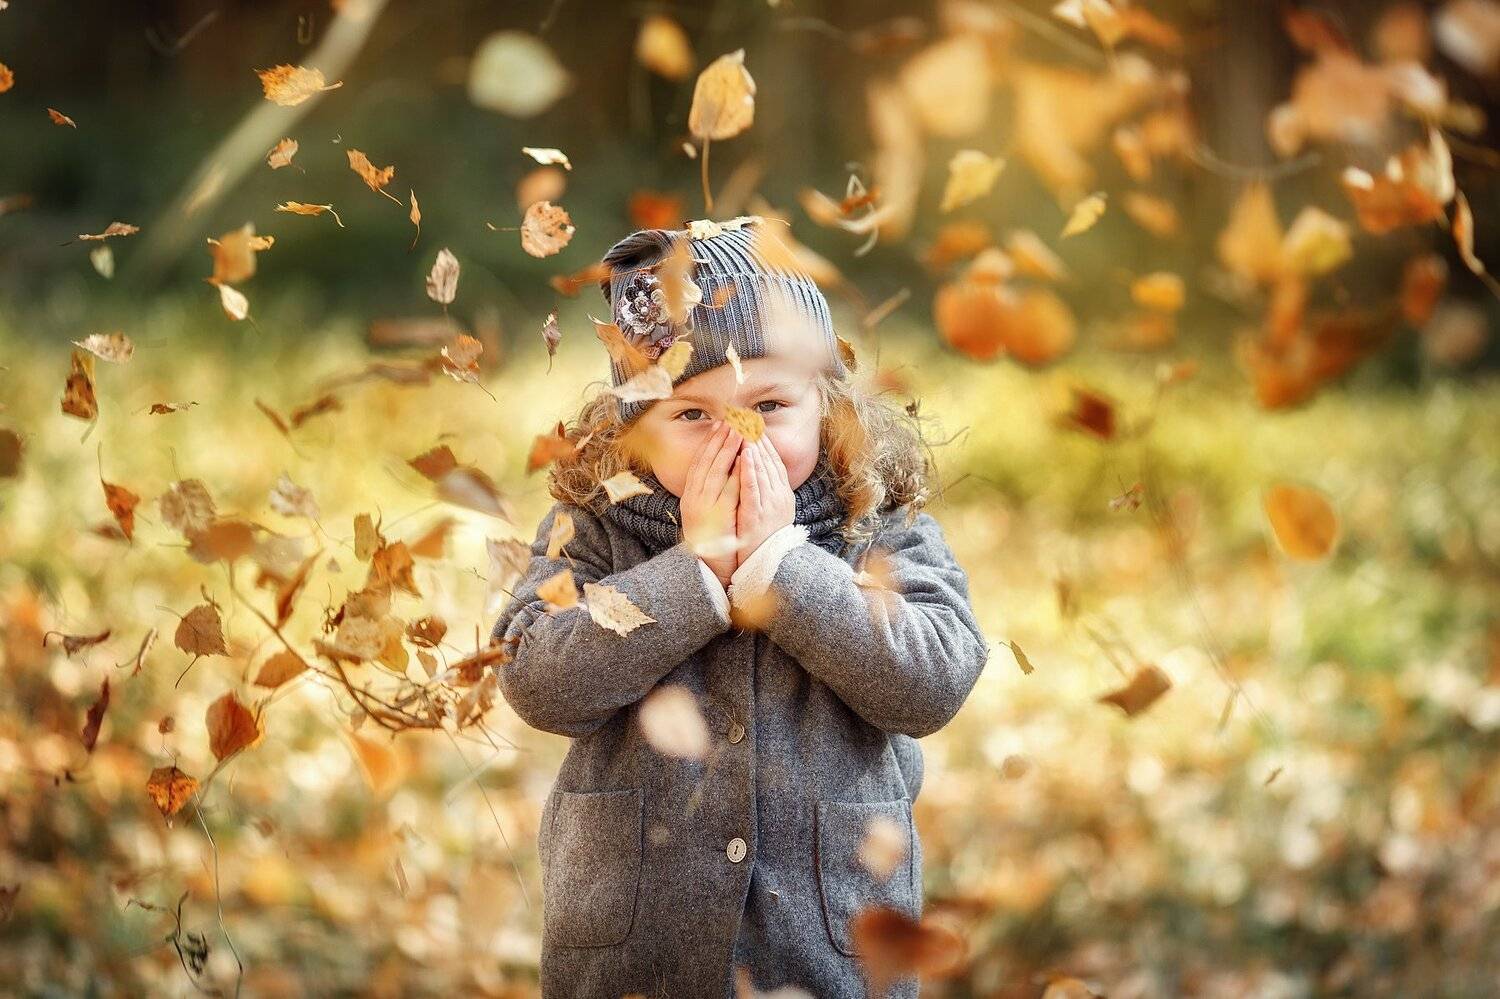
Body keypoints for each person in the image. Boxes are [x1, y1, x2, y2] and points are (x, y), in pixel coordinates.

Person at [489, 215, 989, 998]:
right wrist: (691, 578)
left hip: (829, 958)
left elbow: (934, 676)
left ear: (826, 404)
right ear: (634, 434)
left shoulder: (875, 523)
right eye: (692, 414)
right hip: (634, 962)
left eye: (769, 406)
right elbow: (534, 675)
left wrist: (779, 569)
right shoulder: (594, 522)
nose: (738, 438)